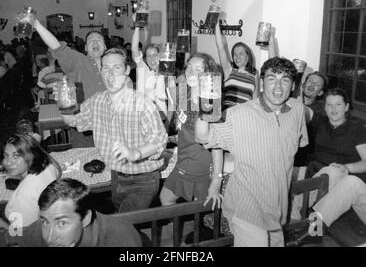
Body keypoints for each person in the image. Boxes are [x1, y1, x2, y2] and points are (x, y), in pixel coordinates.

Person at [195, 57, 308, 247]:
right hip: (246, 205)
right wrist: (205, 107)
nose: (278, 87)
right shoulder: (239, 114)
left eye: (285, 80)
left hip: (277, 207)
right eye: (272, 79)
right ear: (261, 83)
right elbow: (203, 136)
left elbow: (298, 147)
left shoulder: (298, 110)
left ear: (293, 85)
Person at [61, 48, 168, 213]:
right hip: (116, 175)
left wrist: (134, 154)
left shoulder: (142, 103)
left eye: (116, 68)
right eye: (105, 68)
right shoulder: (97, 101)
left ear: (126, 70)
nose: (110, 73)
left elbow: (159, 140)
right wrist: (64, 103)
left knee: (124, 220)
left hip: (143, 178)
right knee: (123, 219)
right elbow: (73, 121)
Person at [291, 88, 366, 244]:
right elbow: (298, 106)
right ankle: (307, 224)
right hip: (316, 174)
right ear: (324, 107)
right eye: (329, 105)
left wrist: (347, 167)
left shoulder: (356, 129)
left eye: (338, 104)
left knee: (335, 172)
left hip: (340, 177)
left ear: (346, 107)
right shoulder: (320, 122)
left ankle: (298, 217)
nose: (333, 109)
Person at [29, 15, 107, 148]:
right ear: (86, 48)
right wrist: (36, 24)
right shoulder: (78, 61)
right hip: (84, 133)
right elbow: (56, 46)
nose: (94, 42)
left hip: (110, 131)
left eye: (98, 40)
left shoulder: (113, 66)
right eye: (90, 41)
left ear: (105, 47)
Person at [3, 178, 142, 247]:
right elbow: (16, 236)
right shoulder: (42, 229)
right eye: (45, 221)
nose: (49, 237)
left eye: (62, 223)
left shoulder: (121, 238)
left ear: (86, 218)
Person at [160, 54, 219, 206]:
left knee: (168, 199)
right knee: (195, 205)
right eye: (189, 67)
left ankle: (186, 228)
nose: (191, 72)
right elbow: (169, 83)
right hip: (183, 157)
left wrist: (217, 179)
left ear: (208, 74)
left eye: (198, 69)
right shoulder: (184, 92)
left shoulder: (209, 102)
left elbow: (218, 144)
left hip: (197, 163)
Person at [0, 134, 62, 229]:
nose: (8, 162)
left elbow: (20, 237)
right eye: (5, 156)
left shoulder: (22, 197)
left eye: (16, 156)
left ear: (32, 155)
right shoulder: (49, 165)